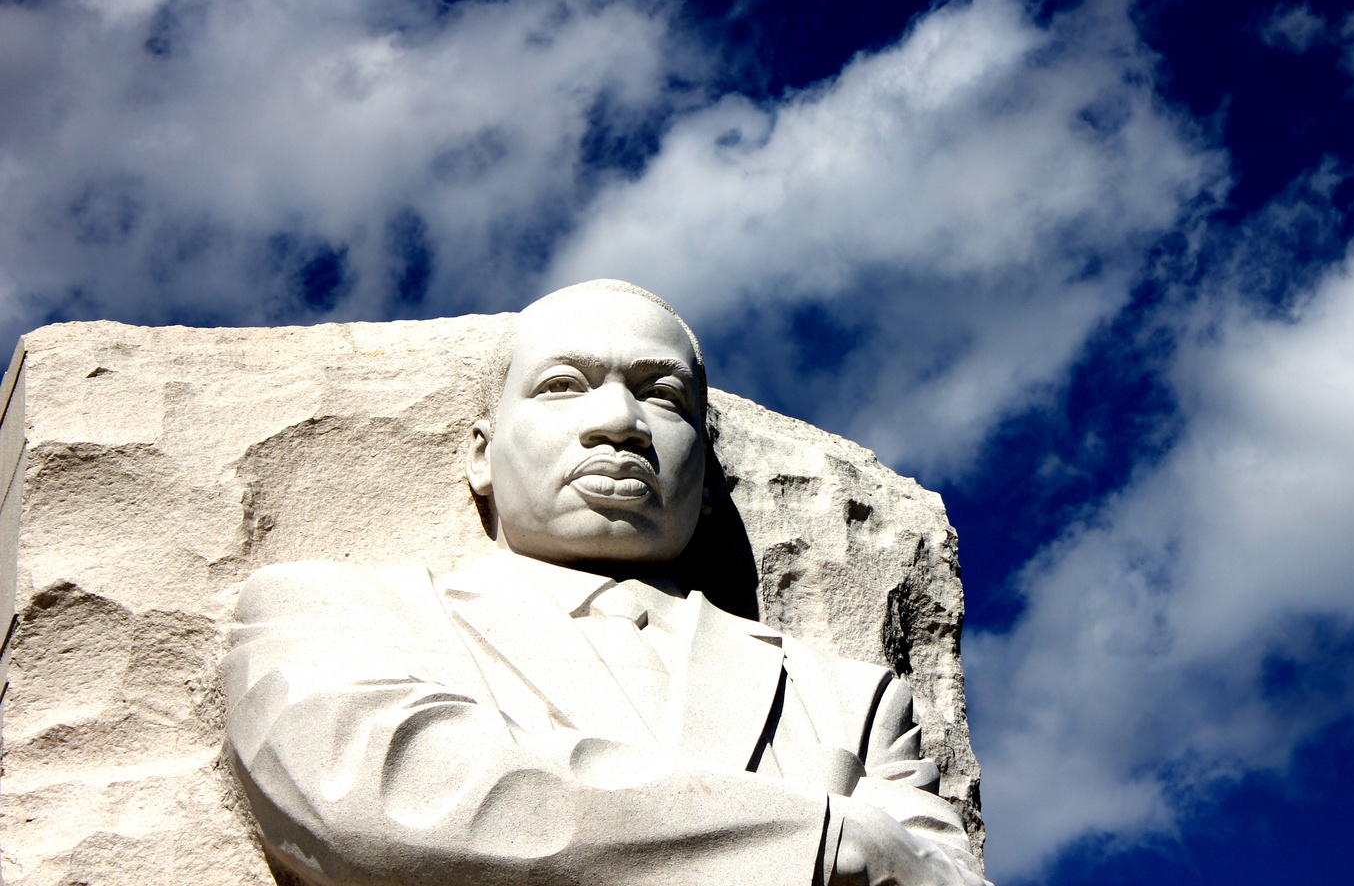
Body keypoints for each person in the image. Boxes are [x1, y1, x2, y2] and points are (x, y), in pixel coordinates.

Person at [223, 280, 986, 886]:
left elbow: (944, 877)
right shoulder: (339, 611)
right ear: (480, 456)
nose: (620, 420)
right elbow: (381, 800)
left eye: (663, 395)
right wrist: (830, 840)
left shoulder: (849, 697)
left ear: (711, 482)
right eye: (563, 386)